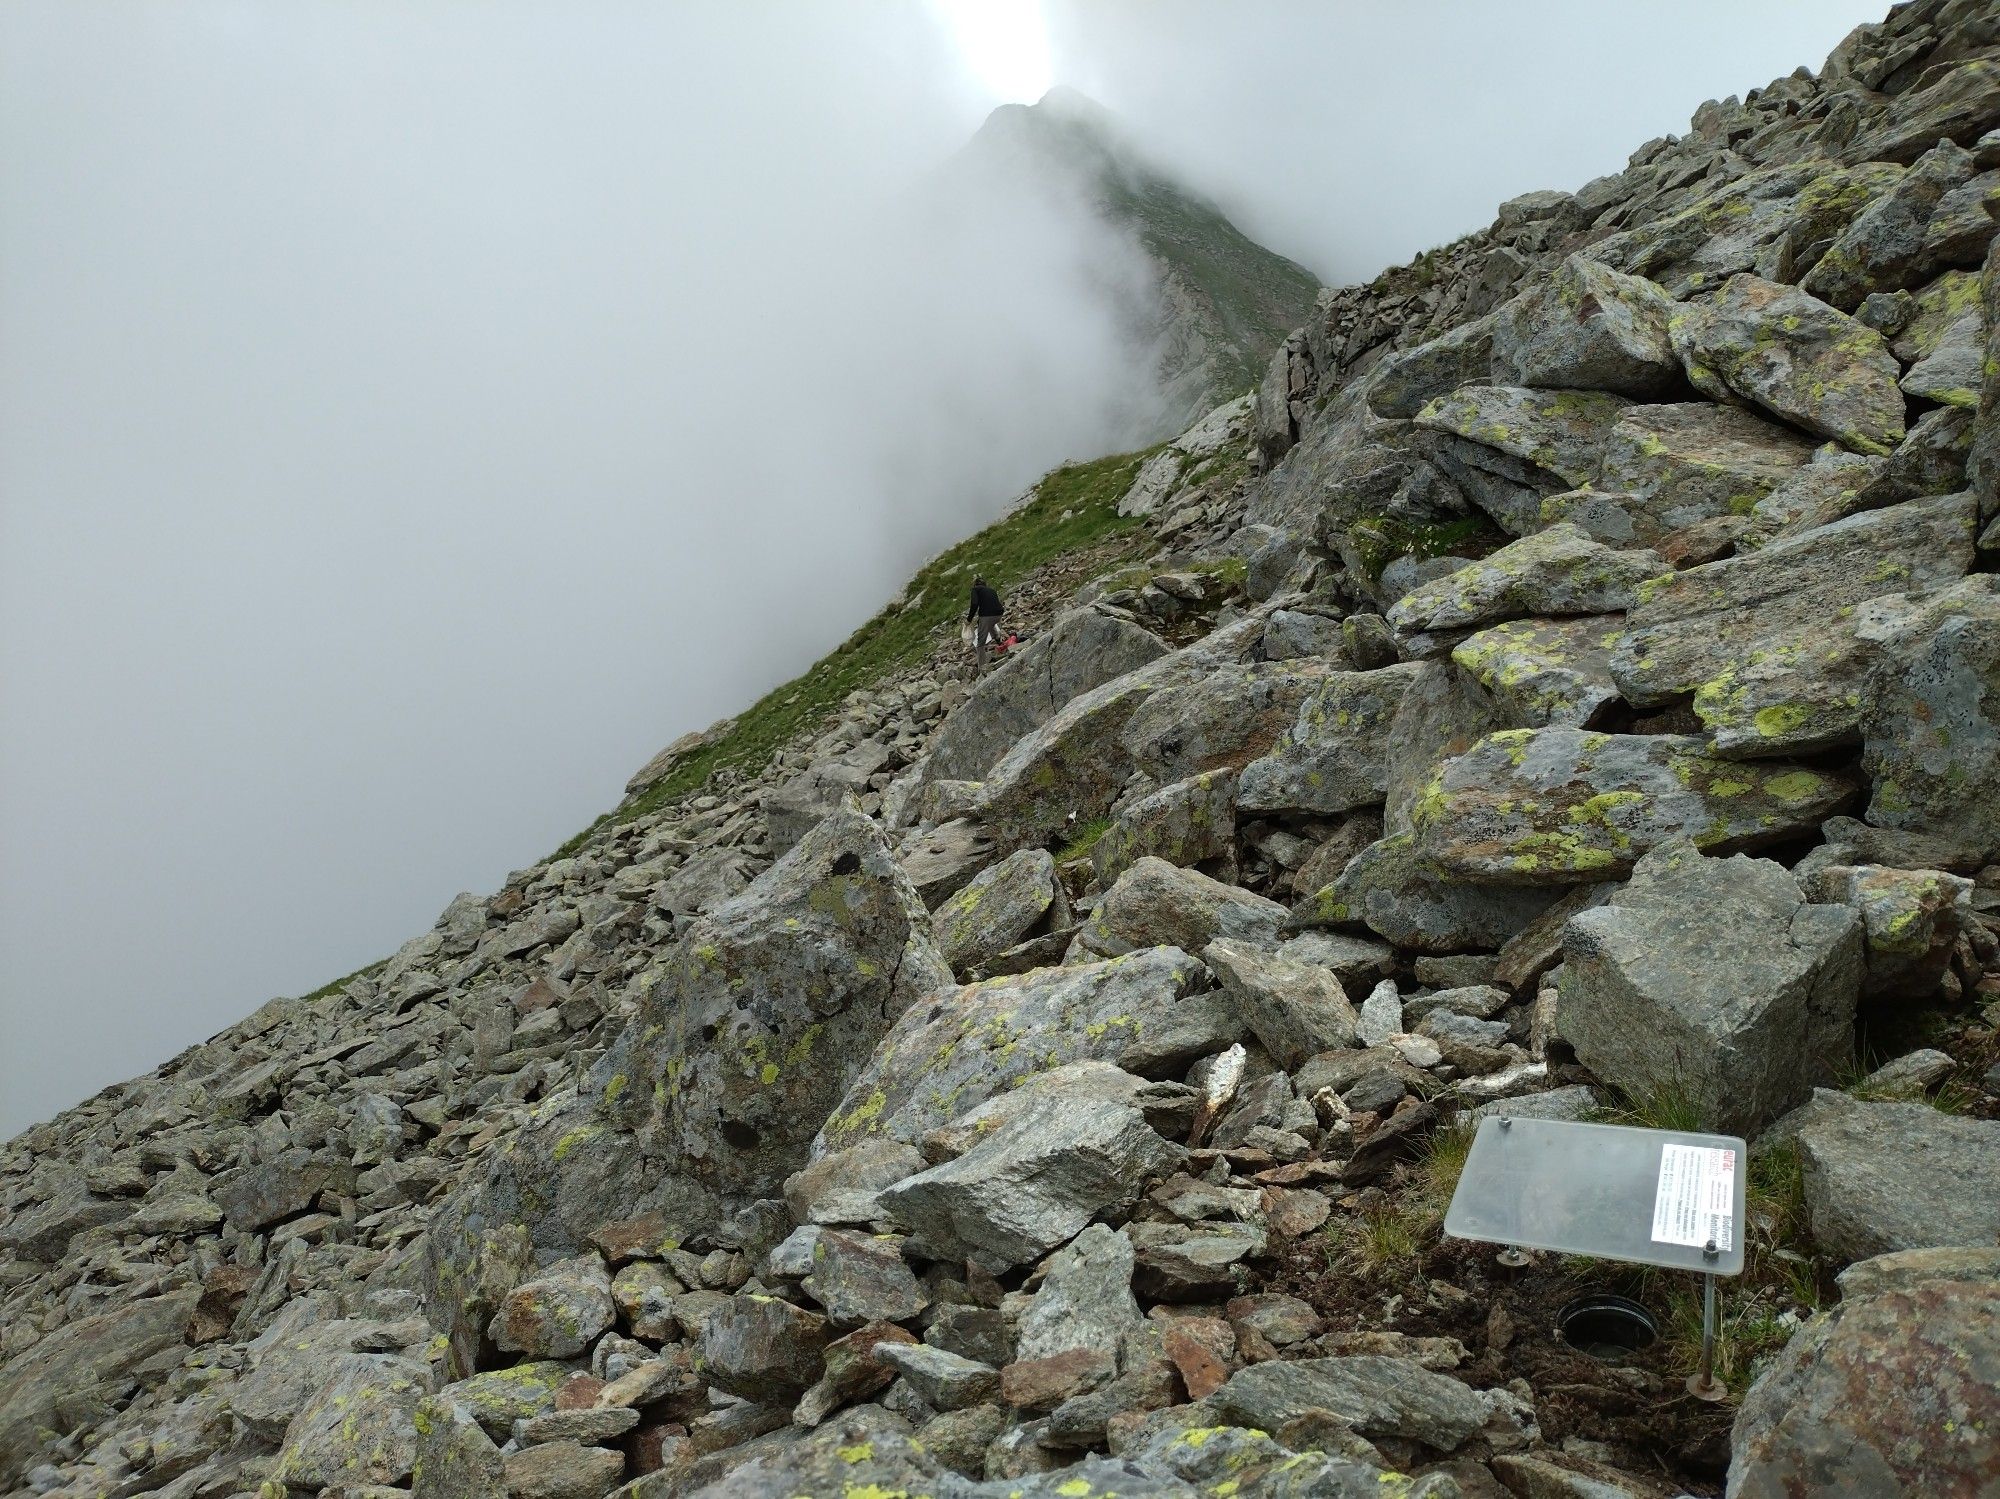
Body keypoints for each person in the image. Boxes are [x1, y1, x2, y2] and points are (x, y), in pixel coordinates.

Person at [966, 576, 1004, 671]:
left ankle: (982, 667)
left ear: (975, 584)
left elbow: (974, 604)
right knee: (988, 623)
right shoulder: (991, 590)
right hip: (999, 614)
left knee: (980, 643)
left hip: (987, 616)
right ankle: (998, 639)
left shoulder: (975, 590)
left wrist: (969, 619)